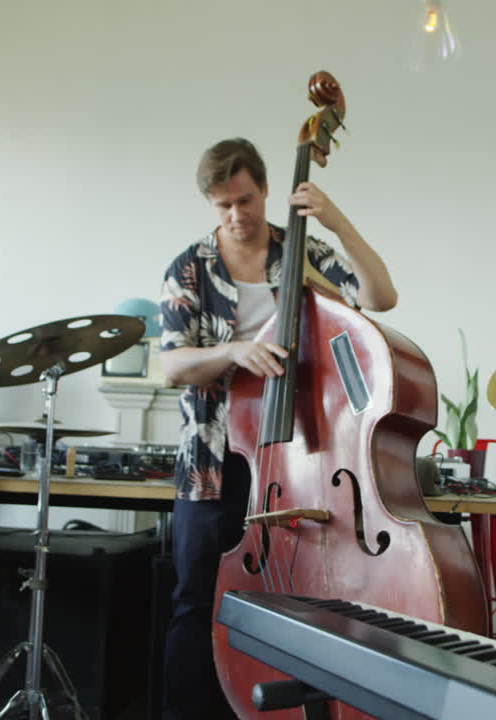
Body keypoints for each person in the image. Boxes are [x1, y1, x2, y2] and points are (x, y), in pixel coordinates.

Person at [158, 137, 397, 719]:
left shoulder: (301, 253)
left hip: (298, 465)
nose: (236, 216)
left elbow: (380, 297)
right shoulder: (189, 267)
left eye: (244, 200)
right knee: (195, 601)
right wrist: (237, 353)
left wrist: (336, 221)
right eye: (222, 206)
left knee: (294, 599)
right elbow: (173, 365)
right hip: (213, 462)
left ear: (266, 190)